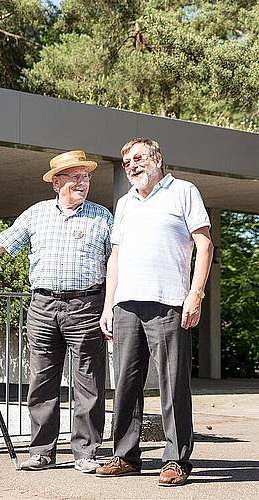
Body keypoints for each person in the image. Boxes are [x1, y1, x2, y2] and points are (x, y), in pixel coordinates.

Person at [0, 150, 113, 472]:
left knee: (89, 382)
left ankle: (85, 453)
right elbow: (2, 243)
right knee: (42, 381)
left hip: (86, 305)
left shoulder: (102, 217)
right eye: (74, 176)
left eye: (85, 176)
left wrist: (110, 305)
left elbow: (116, 261)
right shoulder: (37, 214)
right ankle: (42, 452)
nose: (82, 182)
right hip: (42, 306)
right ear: (56, 182)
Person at [96, 138, 213, 486]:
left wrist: (196, 294)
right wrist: (108, 305)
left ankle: (176, 459)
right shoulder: (124, 203)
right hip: (127, 303)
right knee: (126, 384)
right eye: (127, 162)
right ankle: (125, 456)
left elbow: (205, 244)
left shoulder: (183, 191)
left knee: (172, 383)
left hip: (170, 302)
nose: (132, 165)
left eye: (138, 158)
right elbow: (115, 257)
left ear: (157, 159)